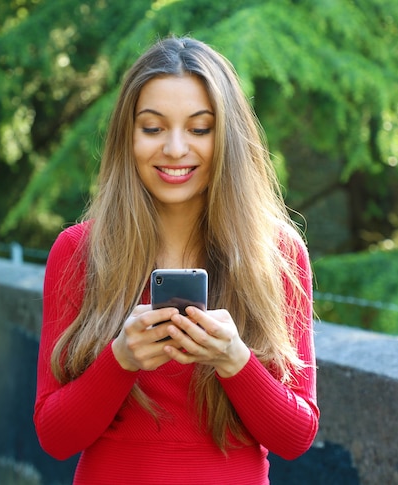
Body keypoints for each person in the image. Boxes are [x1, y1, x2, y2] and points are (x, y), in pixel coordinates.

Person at [34, 36, 319, 485]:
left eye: (199, 128)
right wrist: (121, 359)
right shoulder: (78, 253)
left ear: (227, 136)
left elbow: (296, 436)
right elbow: (54, 436)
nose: (174, 148)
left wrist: (234, 361)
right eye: (153, 128)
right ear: (127, 137)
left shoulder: (277, 254)